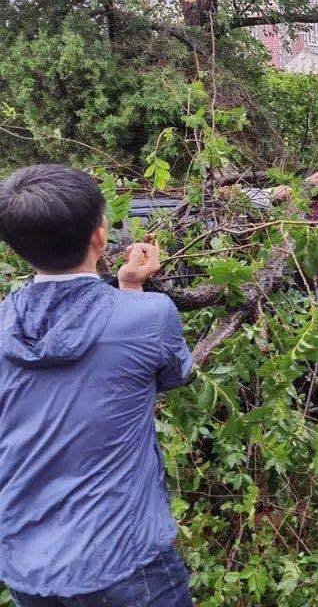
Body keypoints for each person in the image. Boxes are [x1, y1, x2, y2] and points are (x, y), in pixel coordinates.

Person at [0, 165, 193, 607]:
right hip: (128, 563)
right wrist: (134, 295)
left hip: (28, 568)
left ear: (17, 248)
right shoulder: (149, 316)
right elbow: (172, 376)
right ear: (101, 237)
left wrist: (125, 286)